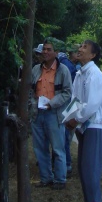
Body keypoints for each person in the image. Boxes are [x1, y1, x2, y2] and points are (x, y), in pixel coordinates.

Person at [64, 40, 102, 202]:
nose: (79, 49)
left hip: (94, 124)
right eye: (80, 46)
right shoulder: (80, 74)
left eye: (84, 47)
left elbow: (91, 104)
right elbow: (75, 100)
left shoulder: (95, 75)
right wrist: (67, 118)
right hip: (83, 124)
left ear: (92, 55)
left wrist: (76, 119)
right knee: (84, 164)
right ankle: (89, 201)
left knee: (91, 164)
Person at [29, 40, 72, 189]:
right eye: (44, 50)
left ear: (55, 52)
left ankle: (60, 180)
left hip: (54, 114)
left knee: (58, 148)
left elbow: (67, 93)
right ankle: (46, 178)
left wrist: (52, 103)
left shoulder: (63, 70)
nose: (45, 52)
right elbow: (30, 90)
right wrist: (33, 104)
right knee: (40, 148)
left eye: (49, 49)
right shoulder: (35, 69)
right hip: (37, 114)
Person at [58, 46, 79, 178]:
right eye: (78, 51)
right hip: (70, 104)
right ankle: (66, 164)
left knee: (65, 135)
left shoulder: (70, 65)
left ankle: (66, 164)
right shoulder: (69, 65)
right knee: (65, 135)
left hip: (70, 104)